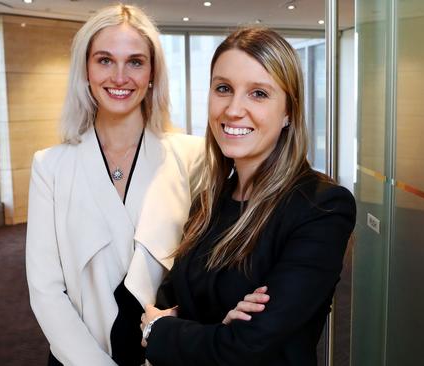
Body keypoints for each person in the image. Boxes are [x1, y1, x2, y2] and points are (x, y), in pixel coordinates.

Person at [140, 27, 356, 365]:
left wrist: (160, 332)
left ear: (288, 112)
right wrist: (220, 330)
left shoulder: (321, 207)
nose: (233, 109)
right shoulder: (209, 201)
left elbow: (245, 346)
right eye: (223, 88)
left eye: (258, 93)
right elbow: (170, 299)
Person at [25, 5, 205, 366]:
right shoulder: (51, 166)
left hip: (166, 353)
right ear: (86, 70)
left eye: (135, 62)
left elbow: (211, 263)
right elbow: (46, 291)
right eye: (105, 60)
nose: (120, 76)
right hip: (78, 357)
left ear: (152, 73)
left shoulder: (192, 156)